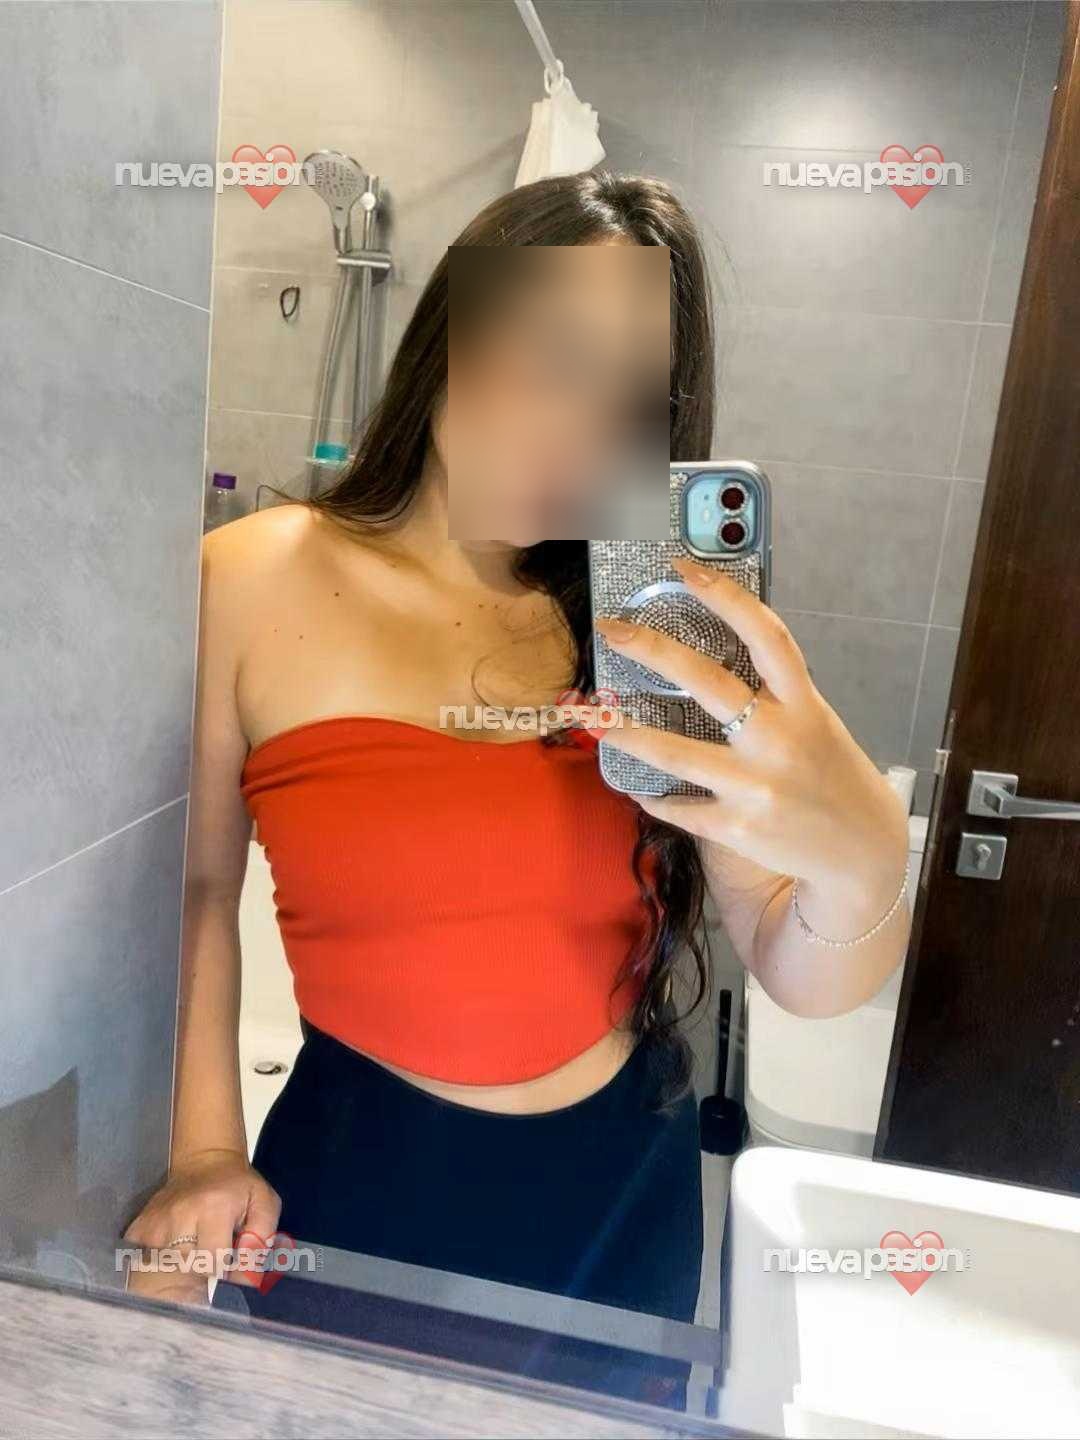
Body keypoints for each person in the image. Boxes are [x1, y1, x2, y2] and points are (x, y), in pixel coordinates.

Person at [124, 172, 910, 1398]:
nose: (576, 424)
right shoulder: (249, 581)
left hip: (619, 1203)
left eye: (627, 397)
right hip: (358, 1179)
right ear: (453, 329)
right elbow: (197, 893)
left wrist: (866, 855)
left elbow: (790, 958)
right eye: (554, 356)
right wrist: (204, 1151)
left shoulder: (649, 615)